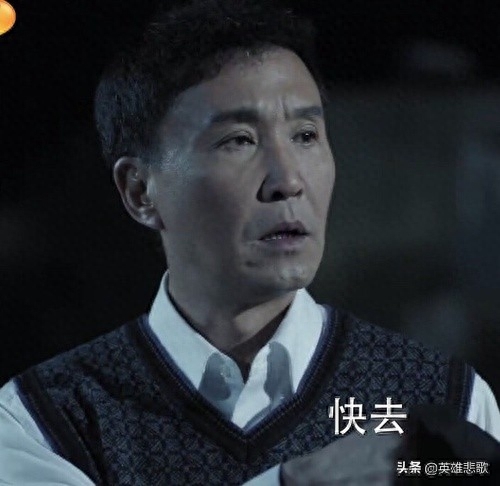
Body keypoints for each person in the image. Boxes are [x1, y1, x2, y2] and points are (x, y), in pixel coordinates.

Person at [1, 1, 499, 484]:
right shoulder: (46, 422)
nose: (288, 180)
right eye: (238, 140)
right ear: (140, 191)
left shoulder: (444, 399)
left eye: (306, 135)